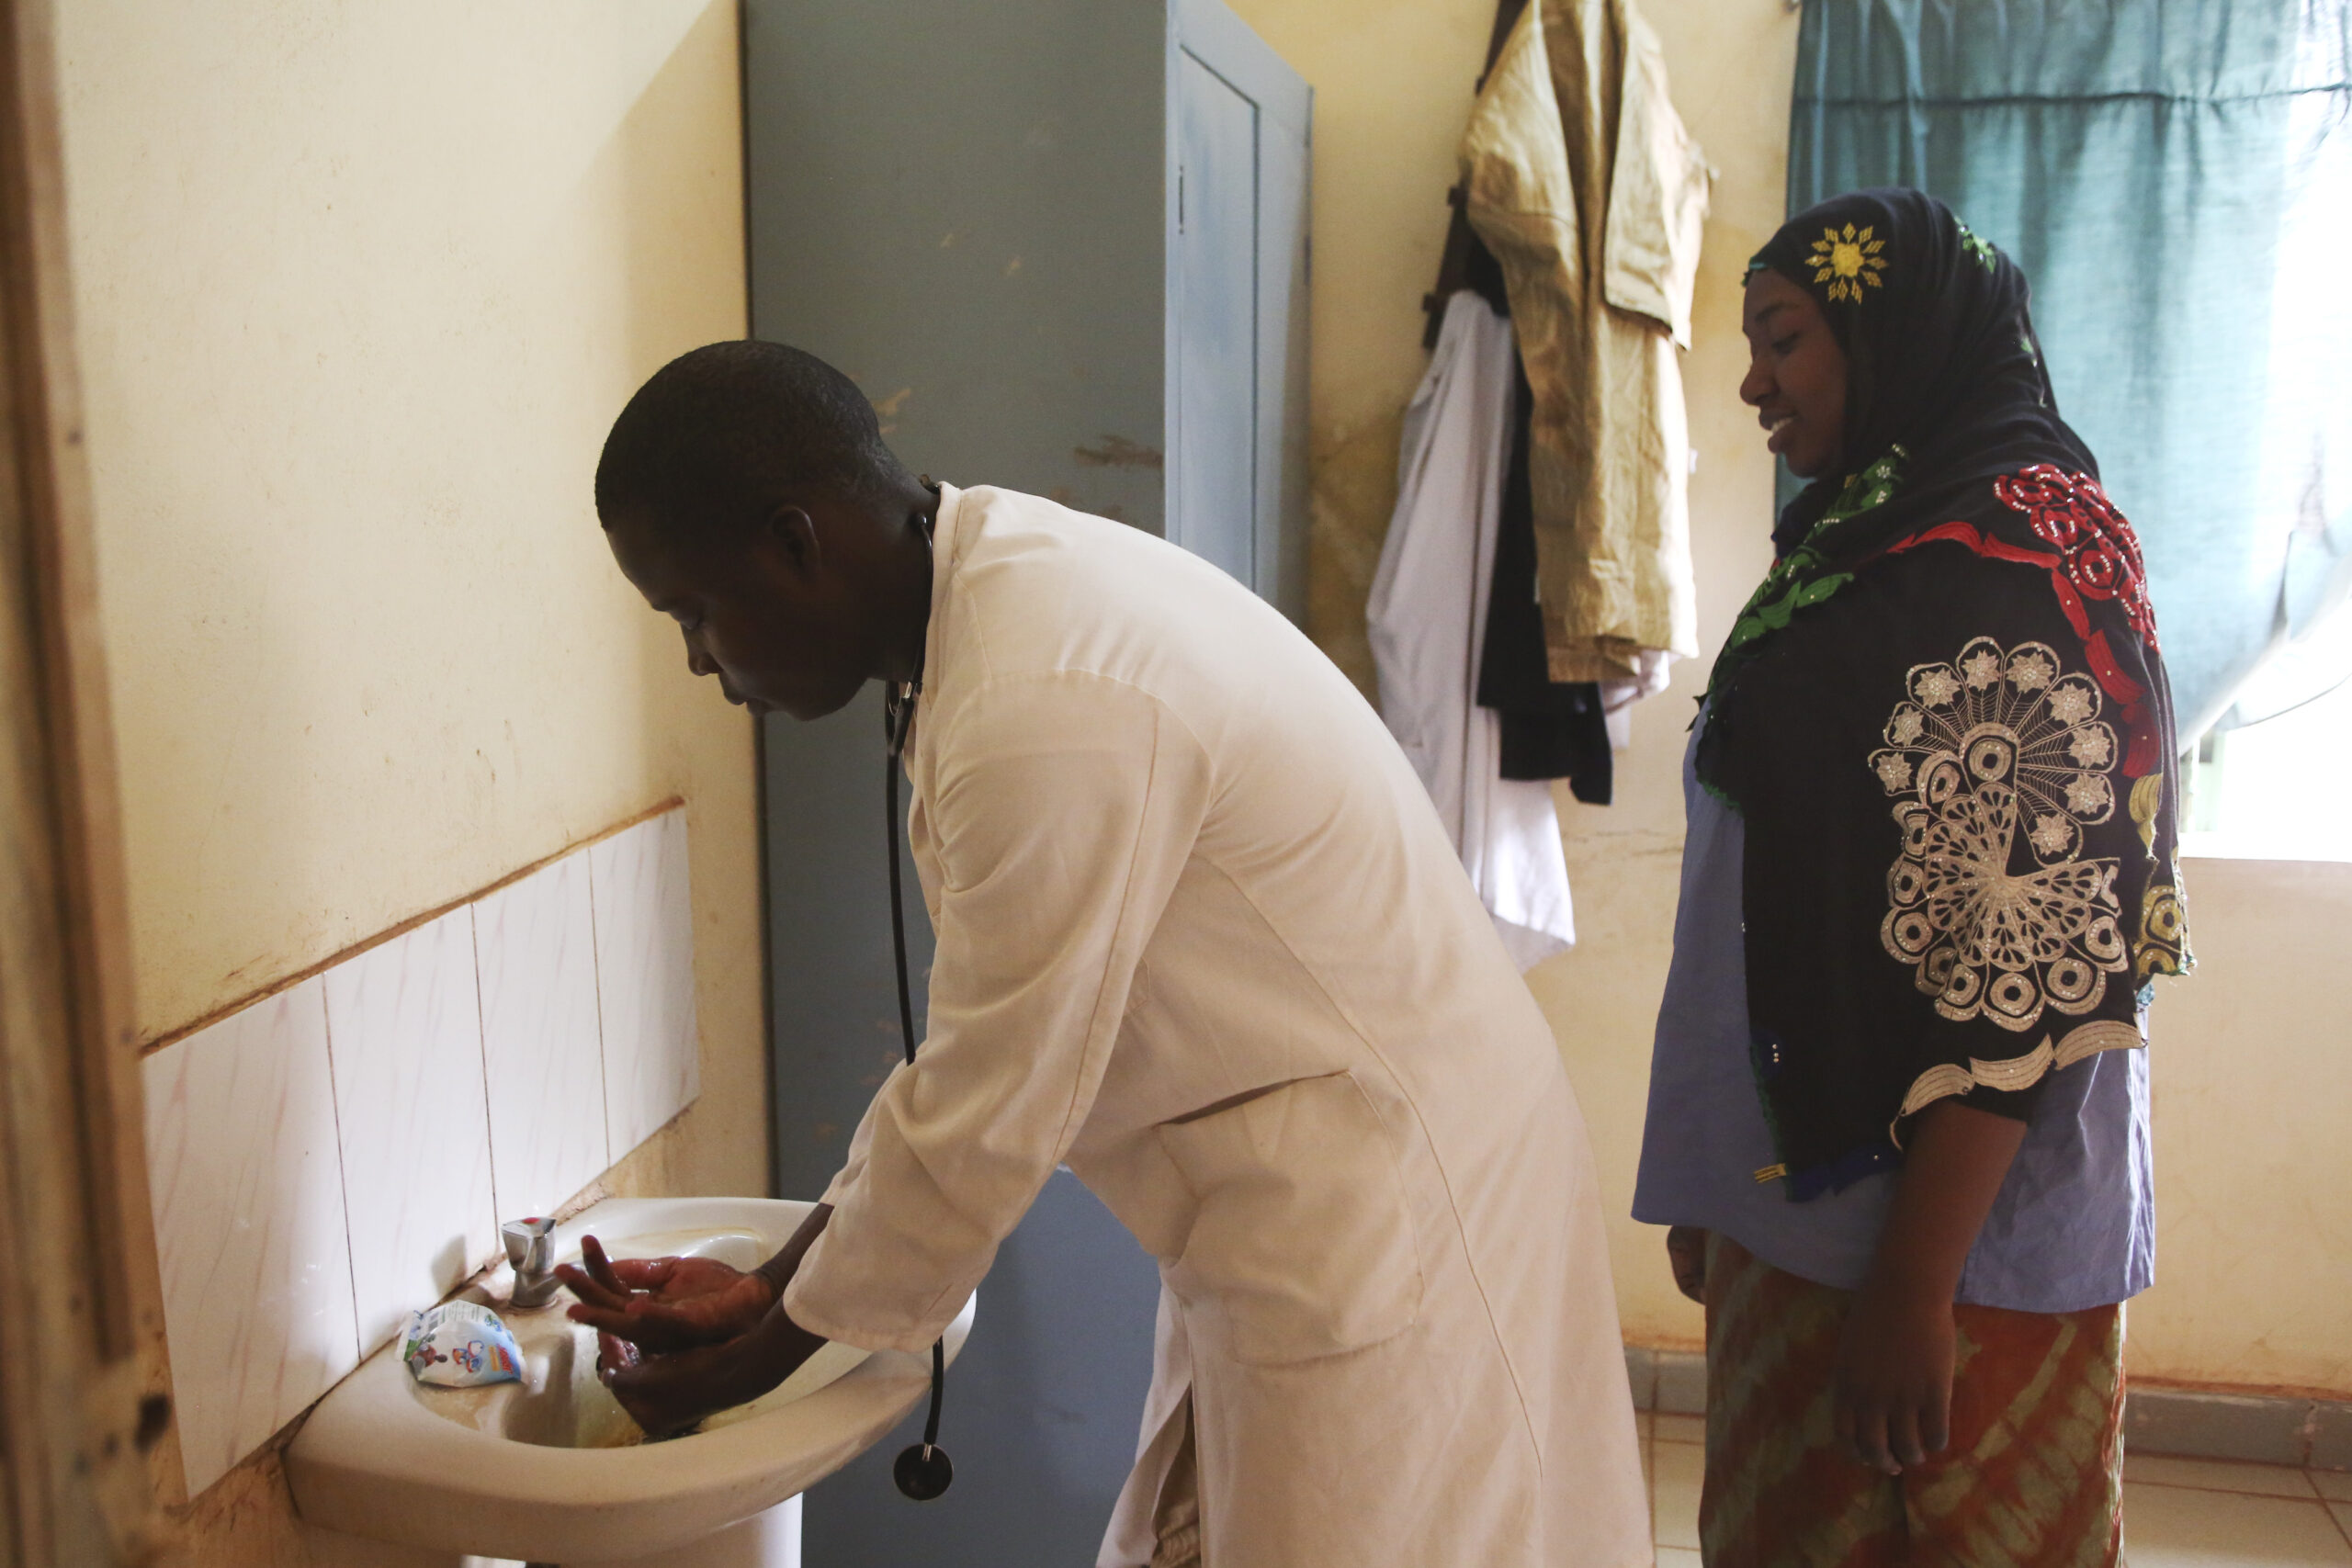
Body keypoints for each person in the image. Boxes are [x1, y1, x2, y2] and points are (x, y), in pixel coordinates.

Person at [559, 341, 1651, 1568]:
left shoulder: (1043, 698)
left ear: (797, 544)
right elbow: (971, 1079)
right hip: (1306, 1179)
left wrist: (762, 1346)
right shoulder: (992, 592)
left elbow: (989, 1103)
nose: (702, 660)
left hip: (1391, 1202)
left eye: (695, 613)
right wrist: (777, 1287)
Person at [1632, 189, 2190, 1565]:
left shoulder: (2027, 561)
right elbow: (1779, 878)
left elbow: (2044, 946)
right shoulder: (1855, 542)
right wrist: (1720, 1178)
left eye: (1787, 338)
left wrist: (1913, 1285)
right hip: (1801, 1216)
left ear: (1895, 336)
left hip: (1954, 1267)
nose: (1754, 379)